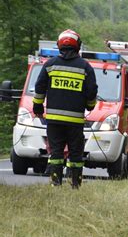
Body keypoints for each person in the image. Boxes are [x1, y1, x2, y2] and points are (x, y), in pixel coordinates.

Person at [33, 29, 97, 188]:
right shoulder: (85, 67)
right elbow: (91, 91)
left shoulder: (50, 65)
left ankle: (56, 184)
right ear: (78, 46)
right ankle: (75, 185)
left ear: (59, 45)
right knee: (75, 154)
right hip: (75, 122)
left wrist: (38, 107)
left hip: (54, 120)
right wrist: (90, 106)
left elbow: (39, 87)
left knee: (56, 153)